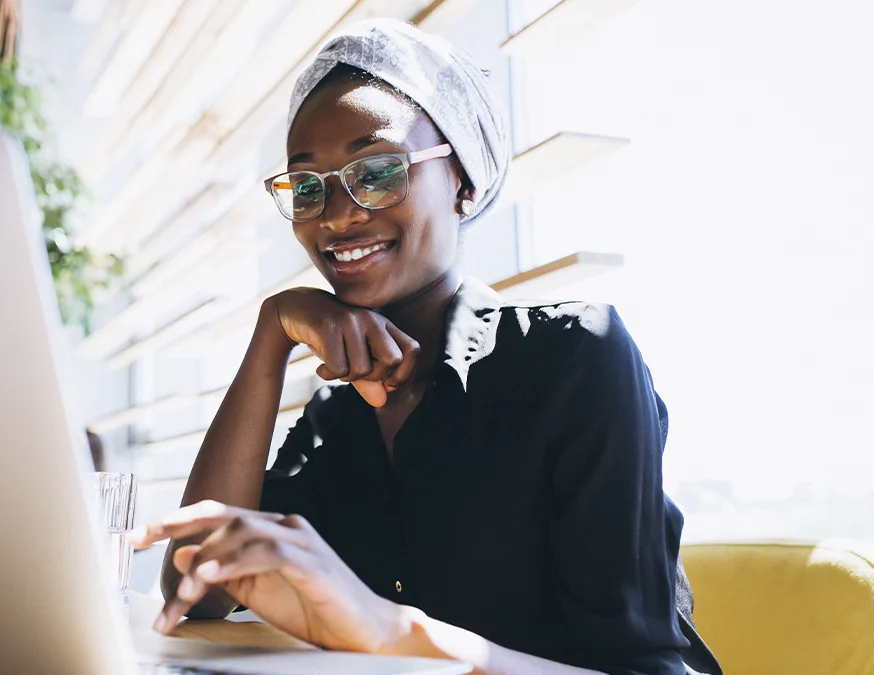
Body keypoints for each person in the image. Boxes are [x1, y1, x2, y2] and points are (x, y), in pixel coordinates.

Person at [132, 19, 721, 675]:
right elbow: (199, 588)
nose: (337, 213)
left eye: (378, 171)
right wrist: (271, 333)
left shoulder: (575, 356)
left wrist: (398, 632)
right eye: (307, 186)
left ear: (464, 182)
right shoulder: (337, 419)